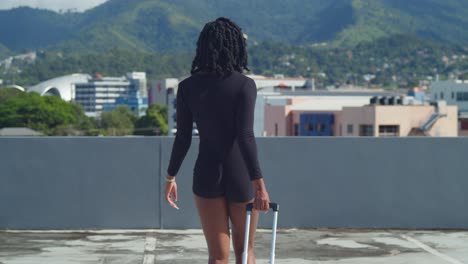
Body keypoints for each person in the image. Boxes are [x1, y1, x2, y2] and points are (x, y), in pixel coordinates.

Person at [164, 17, 271, 264]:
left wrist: (170, 177)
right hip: (240, 175)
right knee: (246, 252)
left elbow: (182, 139)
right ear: (235, 46)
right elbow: (245, 136)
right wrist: (260, 184)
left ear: (202, 47)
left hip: (206, 172)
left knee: (217, 256)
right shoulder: (244, 85)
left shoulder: (187, 87)